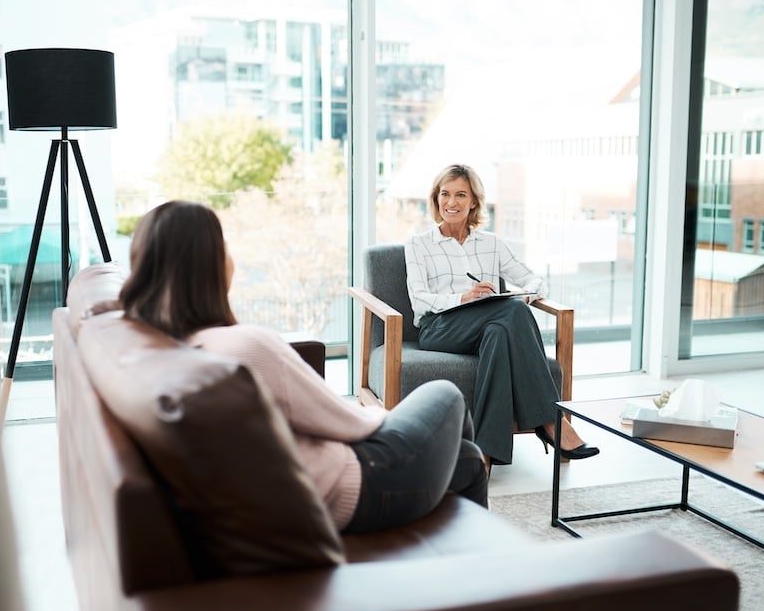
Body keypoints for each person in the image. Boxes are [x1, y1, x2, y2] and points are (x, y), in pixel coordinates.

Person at [118, 199, 489, 533]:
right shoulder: (246, 346)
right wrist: (388, 419)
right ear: (207, 264)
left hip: (317, 486)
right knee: (445, 394)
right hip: (364, 484)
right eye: (224, 245)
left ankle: (471, 572)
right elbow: (349, 422)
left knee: (468, 459)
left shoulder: (164, 346)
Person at [404, 163, 600, 469]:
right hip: (439, 328)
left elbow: (533, 279)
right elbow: (419, 297)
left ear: (473, 202)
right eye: (444, 194)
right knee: (512, 314)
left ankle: (484, 453)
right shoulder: (419, 244)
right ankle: (552, 422)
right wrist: (464, 297)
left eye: (460, 195)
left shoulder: (491, 243)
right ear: (436, 198)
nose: (451, 202)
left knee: (500, 330)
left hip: (485, 328)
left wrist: (524, 294)